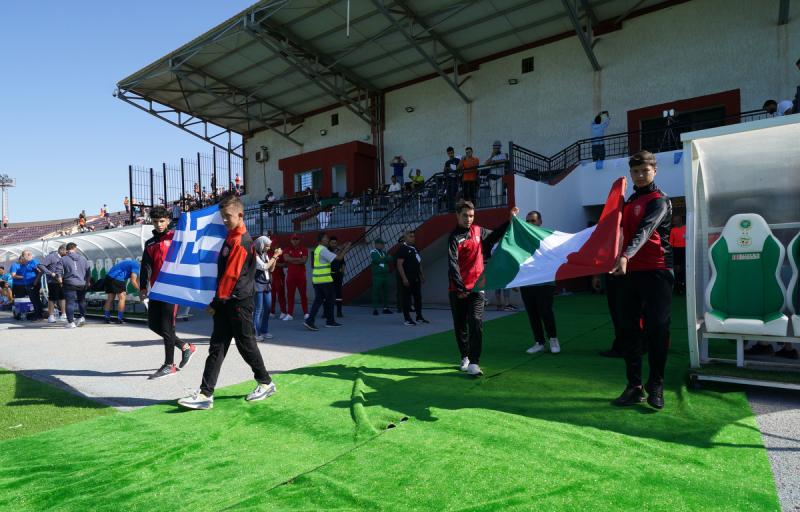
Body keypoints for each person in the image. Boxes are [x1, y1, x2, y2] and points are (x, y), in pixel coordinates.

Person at [178, 194, 275, 410]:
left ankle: (266, 382)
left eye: (228, 216)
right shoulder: (230, 237)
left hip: (238, 302)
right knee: (217, 346)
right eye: (222, 216)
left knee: (245, 344)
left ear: (240, 215)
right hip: (229, 302)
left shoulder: (241, 242)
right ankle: (205, 394)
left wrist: (215, 303)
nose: (224, 220)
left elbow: (231, 278)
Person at [610, 150, 673, 410]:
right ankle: (634, 386)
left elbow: (645, 231)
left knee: (657, 329)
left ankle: (656, 384)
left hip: (657, 272)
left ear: (654, 171)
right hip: (629, 273)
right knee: (628, 330)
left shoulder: (660, 201)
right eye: (635, 171)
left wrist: (625, 255)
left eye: (644, 171)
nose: (639, 175)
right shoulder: (626, 202)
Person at [448, 200, 517, 375]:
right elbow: (452, 264)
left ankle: (474, 362)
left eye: (471, 216)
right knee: (460, 325)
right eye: (465, 215)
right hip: (458, 290)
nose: (469, 219)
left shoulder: (478, 231)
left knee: (476, 321)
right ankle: (464, 356)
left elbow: (495, 236)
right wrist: (460, 287)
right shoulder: (454, 238)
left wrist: (510, 221)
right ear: (457, 215)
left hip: (478, 288)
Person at [139, 205, 197, 379]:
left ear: (168, 221)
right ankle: (185, 346)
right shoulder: (150, 243)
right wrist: (143, 287)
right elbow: (145, 268)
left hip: (173, 290)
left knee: (167, 327)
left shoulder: (177, 238)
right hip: (156, 290)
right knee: (153, 325)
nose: (159, 224)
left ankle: (169, 365)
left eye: (162, 221)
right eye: (156, 221)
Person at [520, 211, 560, 354]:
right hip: (527, 283)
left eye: (533, 220)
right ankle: (539, 342)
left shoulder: (549, 238)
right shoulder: (522, 239)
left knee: (545, 310)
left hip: (546, 282)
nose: (530, 223)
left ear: (540, 222)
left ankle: (553, 339)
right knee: (533, 313)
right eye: (528, 221)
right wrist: (516, 280)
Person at [303, 232, 351, 331]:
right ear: (321, 240)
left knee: (318, 300)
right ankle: (329, 321)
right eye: (326, 238)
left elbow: (333, 256)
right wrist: (346, 249)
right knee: (330, 299)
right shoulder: (323, 250)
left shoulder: (319, 249)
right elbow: (338, 258)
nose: (328, 239)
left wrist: (342, 248)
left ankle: (310, 321)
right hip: (325, 279)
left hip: (317, 279)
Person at [396, 230, 428, 326]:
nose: (413, 238)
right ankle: (407, 319)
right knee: (406, 299)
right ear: (405, 238)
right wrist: (404, 278)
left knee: (418, 298)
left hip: (416, 278)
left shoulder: (415, 249)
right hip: (407, 279)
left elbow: (419, 263)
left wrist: (422, 275)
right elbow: (399, 265)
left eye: (413, 236)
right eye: (410, 236)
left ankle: (419, 316)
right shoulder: (403, 249)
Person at [254, 236, 281, 341]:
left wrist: (274, 259)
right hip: (257, 284)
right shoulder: (254, 254)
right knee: (258, 309)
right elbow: (264, 267)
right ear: (261, 245)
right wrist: (275, 256)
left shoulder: (265, 254)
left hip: (266, 283)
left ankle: (264, 331)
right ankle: (256, 333)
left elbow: (271, 269)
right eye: (267, 246)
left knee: (268, 308)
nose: (269, 248)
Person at [61, 242, 90, 328]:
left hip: (69, 283)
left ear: (67, 249)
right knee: (82, 300)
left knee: (70, 303)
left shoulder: (63, 259)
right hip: (82, 283)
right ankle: (82, 317)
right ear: (75, 249)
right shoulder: (83, 258)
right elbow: (88, 271)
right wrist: (87, 282)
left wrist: (60, 280)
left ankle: (71, 322)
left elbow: (59, 271)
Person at [103, 258, 140, 324]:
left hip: (108, 277)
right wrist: (140, 290)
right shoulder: (136, 266)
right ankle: (120, 319)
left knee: (110, 298)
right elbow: (133, 281)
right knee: (122, 298)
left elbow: (137, 279)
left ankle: (106, 318)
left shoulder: (130, 262)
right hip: (117, 279)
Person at [38, 245, 67, 323]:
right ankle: (51, 316)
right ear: (61, 250)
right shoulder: (51, 257)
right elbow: (40, 265)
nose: (67, 253)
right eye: (66, 251)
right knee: (52, 298)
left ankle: (63, 314)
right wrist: (50, 273)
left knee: (62, 297)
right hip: (53, 281)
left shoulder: (65, 258)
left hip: (63, 280)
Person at [283, 233, 309, 321]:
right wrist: (298, 259)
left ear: (299, 240)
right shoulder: (287, 249)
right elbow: (286, 259)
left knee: (303, 295)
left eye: (297, 239)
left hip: (301, 276)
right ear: (291, 240)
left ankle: (306, 313)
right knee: (290, 295)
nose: (295, 241)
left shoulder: (304, 249)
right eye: (293, 239)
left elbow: (304, 261)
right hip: (291, 276)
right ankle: (289, 314)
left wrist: (292, 259)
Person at [370, 238, 393, 315]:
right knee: (376, 292)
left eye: (383, 244)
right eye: (382, 244)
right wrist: (386, 258)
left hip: (385, 274)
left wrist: (384, 258)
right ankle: (375, 309)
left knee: (386, 292)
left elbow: (391, 259)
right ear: (377, 244)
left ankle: (385, 308)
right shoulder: (373, 252)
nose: (383, 245)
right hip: (377, 275)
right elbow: (377, 260)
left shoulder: (384, 252)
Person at [270, 244, 288, 320]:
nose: (274, 247)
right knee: (272, 295)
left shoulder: (281, 253)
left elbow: (285, 264)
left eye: (275, 245)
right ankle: (272, 312)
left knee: (280, 294)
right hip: (271, 277)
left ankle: (283, 311)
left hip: (279, 276)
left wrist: (275, 263)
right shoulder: (269, 253)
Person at [329, 236, 346, 317]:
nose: (334, 244)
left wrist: (343, 271)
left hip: (338, 275)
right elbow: (333, 257)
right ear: (329, 243)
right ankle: (326, 312)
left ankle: (339, 312)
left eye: (335, 243)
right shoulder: (327, 251)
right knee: (328, 294)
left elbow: (343, 262)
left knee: (339, 294)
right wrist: (344, 248)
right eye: (332, 243)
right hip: (329, 275)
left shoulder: (339, 251)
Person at [669, 215, 686, 294]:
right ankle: (679, 287)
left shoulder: (686, 228)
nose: (674, 222)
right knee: (678, 269)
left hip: (686, 250)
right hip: (676, 251)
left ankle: (684, 285)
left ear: (680, 220)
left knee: (686, 268)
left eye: (676, 220)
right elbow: (670, 243)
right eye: (674, 221)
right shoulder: (673, 230)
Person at [443, 147, 461, 211]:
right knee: (449, 194)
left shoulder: (457, 160)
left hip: (455, 179)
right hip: (449, 179)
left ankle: (455, 207)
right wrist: (445, 169)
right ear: (447, 154)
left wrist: (452, 169)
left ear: (453, 152)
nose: (450, 154)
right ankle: (450, 208)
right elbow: (444, 172)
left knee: (454, 192)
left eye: (451, 153)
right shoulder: (447, 162)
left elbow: (459, 169)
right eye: (449, 153)